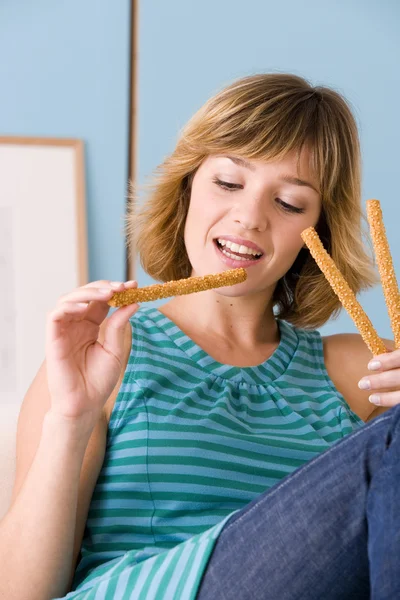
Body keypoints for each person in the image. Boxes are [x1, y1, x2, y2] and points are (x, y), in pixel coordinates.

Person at [1, 73, 399, 600]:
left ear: (316, 234)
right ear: (187, 184)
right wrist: (70, 417)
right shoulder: (103, 355)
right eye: (229, 183)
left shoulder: (356, 370)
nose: (248, 217)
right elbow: (18, 593)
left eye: (289, 203)